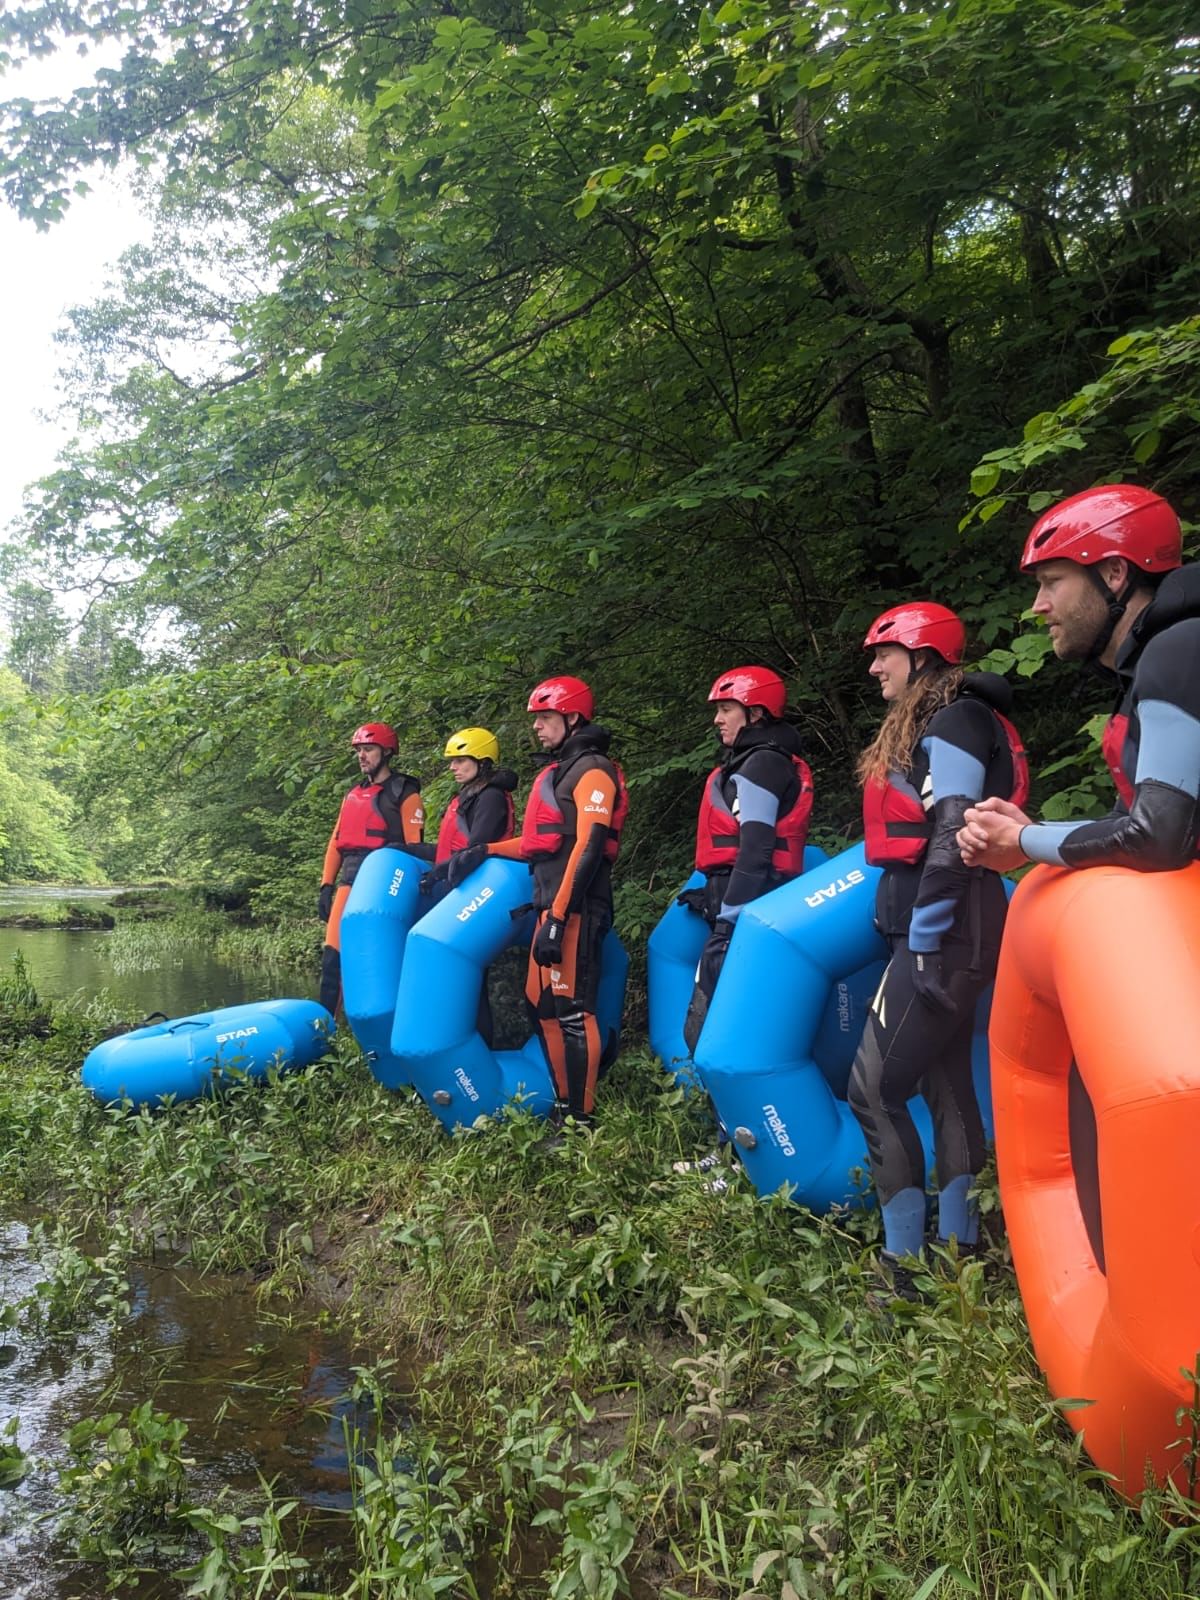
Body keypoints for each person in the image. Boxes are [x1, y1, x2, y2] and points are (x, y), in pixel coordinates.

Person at [846, 602, 1029, 1298]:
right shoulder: (949, 721)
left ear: (921, 656)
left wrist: (921, 943)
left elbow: (953, 833)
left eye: (884, 654)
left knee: (873, 1088)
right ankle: (961, 1255)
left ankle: (904, 1270)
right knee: (945, 1084)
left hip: (947, 932)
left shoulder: (954, 721)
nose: (874, 667)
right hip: (955, 928)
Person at [958, 484, 1199, 873]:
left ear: (1114, 572)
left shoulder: (1178, 649)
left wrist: (1021, 841)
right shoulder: (1155, 660)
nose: (1038, 605)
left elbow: (1155, 839)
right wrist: (1029, 831)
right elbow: (1127, 821)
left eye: (1052, 581)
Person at [446, 676, 627, 1130]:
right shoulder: (557, 772)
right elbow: (536, 841)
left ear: (573, 718)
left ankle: (582, 1120)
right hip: (549, 905)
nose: (538, 728)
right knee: (539, 1004)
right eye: (537, 720)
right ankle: (566, 1105)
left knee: (570, 1010)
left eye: (546, 719)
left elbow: (588, 847)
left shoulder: (594, 770)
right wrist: (484, 850)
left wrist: (560, 917)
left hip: (578, 907)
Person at [681, 665, 814, 1053]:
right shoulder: (751, 760)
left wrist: (728, 921)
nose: (717, 719)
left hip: (751, 905)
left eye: (727, 709)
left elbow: (756, 849)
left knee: (706, 1030)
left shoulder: (762, 763)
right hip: (742, 899)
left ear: (755, 713)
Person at [317, 722, 426, 1014]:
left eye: (368, 749)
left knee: (373, 960)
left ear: (387, 752)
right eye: (359, 751)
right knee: (332, 959)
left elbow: (415, 849)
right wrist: (326, 885)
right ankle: (327, 1040)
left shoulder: (404, 793)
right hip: (349, 879)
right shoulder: (352, 794)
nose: (362, 756)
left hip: (382, 883)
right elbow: (336, 842)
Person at [423, 727, 518, 893]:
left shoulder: (491, 797)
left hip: (480, 884)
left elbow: (475, 852)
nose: (452, 767)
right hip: (459, 878)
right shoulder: (471, 795)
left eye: (460, 760)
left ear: (482, 762)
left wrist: (436, 874)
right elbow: (450, 848)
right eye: (452, 761)